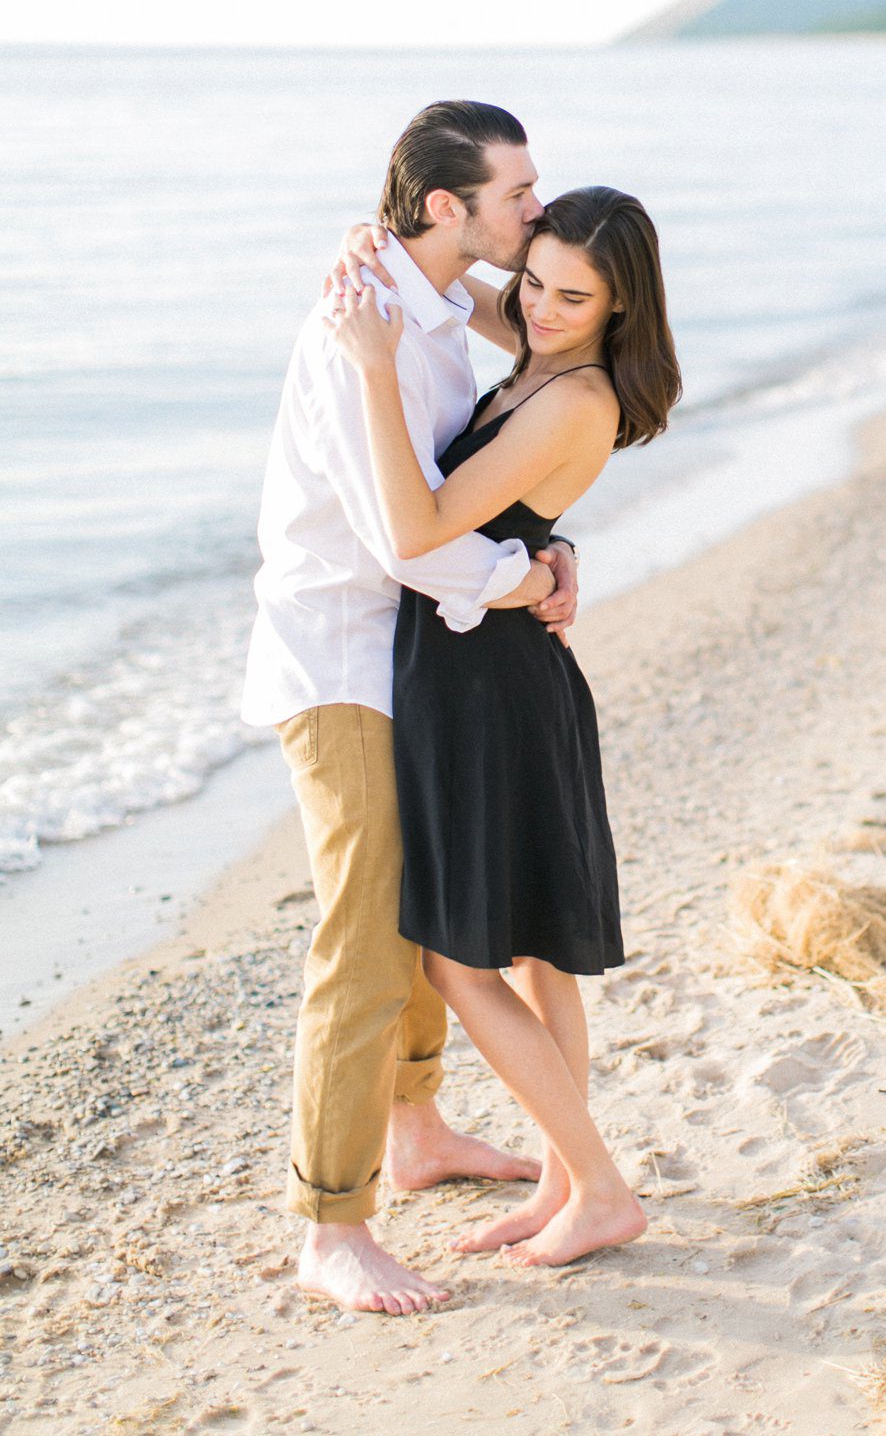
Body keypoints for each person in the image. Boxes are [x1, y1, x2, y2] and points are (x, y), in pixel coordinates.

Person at [241, 101, 579, 1315]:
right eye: (518, 192)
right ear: (449, 205)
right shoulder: (362, 326)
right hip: (339, 655)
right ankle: (331, 1225)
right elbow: (408, 536)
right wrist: (525, 579)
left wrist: (548, 544)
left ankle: (418, 1125)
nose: (535, 208)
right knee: (365, 930)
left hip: (412, 651)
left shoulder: (433, 303)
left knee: (426, 898)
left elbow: (477, 452)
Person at [325, 185, 681, 1267]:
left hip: (490, 685)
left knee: (458, 963)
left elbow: (423, 520)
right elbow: (462, 281)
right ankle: (568, 1183)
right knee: (535, 957)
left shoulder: (576, 398)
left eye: (575, 295)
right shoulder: (536, 342)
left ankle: (603, 1186)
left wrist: (375, 366)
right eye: (536, 279)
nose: (541, 305)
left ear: (620, 309)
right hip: (491, 664)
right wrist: (374, 248)